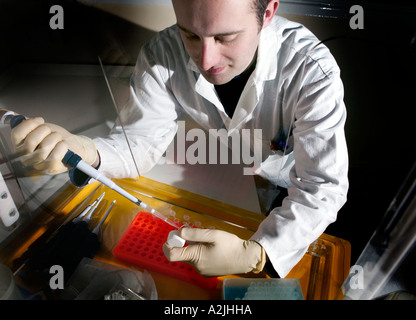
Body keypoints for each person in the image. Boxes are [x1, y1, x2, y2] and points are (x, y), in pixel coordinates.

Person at [10, 0, 348, 278]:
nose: (205, 61)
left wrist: (257, 254)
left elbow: (322, 186)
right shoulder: (163, 54)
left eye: (226, 37)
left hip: (292, 177)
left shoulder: (310, 71)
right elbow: (139, 145)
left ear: (269, 13)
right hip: (240, 173)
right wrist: (87, 150)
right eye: (190, 35)